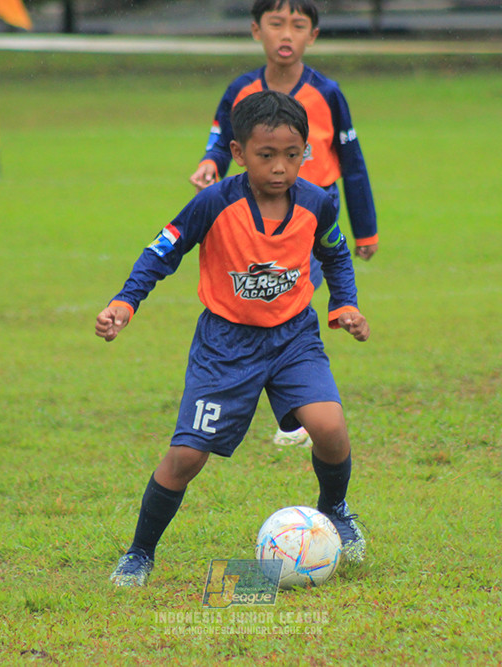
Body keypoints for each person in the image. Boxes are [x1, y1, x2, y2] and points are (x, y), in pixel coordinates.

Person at [97, 91, 370, 587]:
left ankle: (336, 510)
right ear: (240, 153)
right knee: (186, 457)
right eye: (267, 156)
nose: (281, 168)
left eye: (293, 155)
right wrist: (125, 301)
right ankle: (139, 553)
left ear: (306, 152)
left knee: (329, 426)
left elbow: (335, 255)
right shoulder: (215, 202)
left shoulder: (316, 203)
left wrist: (344, 303)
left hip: (293, 338)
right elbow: (162, 251)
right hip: (226, 346)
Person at [189, 0, 378, 448]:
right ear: (257, 30)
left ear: (313, 35)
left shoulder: (328, 94)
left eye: (297, 25)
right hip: (256, 221)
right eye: (276, 24)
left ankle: (294, 400)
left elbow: (352, 162)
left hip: (312, 222)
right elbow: (221, 139)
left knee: (291, 293)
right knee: (268, 297)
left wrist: (365, 229)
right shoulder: (241, 89)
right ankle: (291, 397)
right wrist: (208, 163)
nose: (286, 34)